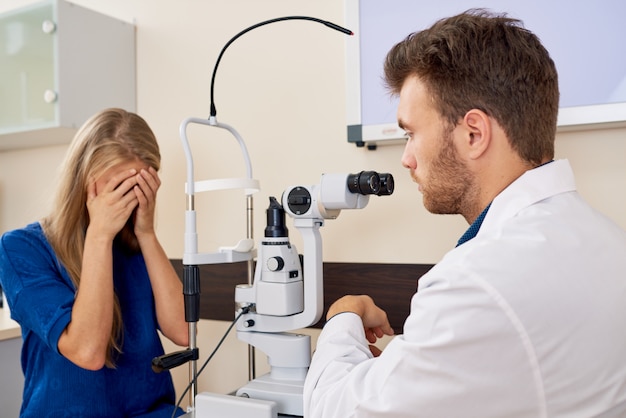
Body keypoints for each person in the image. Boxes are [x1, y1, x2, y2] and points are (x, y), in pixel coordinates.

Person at [304, 10, 626, 417]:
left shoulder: (479, 283)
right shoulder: (609, 241)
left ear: (473, 134)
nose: (406, 159)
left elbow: (336, 410)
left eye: (411, 133)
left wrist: (342, 318)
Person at [0, 108, 189, 417]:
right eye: (117, 189)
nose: (126, 200)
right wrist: (99, 236)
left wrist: (146, 233)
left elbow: (184, 331)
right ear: (83, 182)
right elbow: (87, 352)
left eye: (137, 189)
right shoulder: (21, 248)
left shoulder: (135, 246)